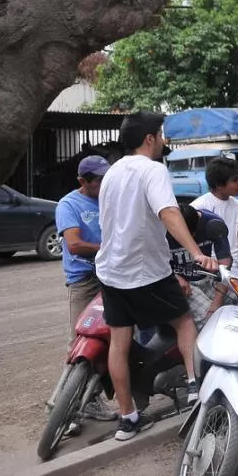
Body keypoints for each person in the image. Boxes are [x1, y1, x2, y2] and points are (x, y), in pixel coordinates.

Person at [95, 111, 217, 441]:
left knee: (118, 343)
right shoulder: (153, 170)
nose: (163, 140)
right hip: (145, 271)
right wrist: (196, 252)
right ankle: (195, 387)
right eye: (160, 135)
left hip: (110, 272)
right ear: (149, 139)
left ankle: (128, 418)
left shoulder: (112, 172)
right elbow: (169, 213)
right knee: (184, 321)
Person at [53, 155, 117, 423]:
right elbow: (74, 244)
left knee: (116, 338)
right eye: (98, 180)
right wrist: (110, 248)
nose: (103, 185)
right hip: (84, 279)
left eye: (106, 179)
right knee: (80, 340)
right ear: (83, 181)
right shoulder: (69, 204)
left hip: (112, 276)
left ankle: (92, 399)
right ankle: (65, 405)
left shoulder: (111, 200)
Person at [167, 204, 233, 328]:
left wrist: (217, 301)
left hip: (210, 277)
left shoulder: (213, 223)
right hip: (184, 284)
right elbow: (152, 263)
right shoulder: (161, 229)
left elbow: (225, 265)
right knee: (212, 321)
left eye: (193, 233)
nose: (190, 239)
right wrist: (175, 276)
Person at [191, 156, 238, 260]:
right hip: (211, 264)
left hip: (236, 265)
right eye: (235, 180)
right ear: (219, 185)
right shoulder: (198, 207)